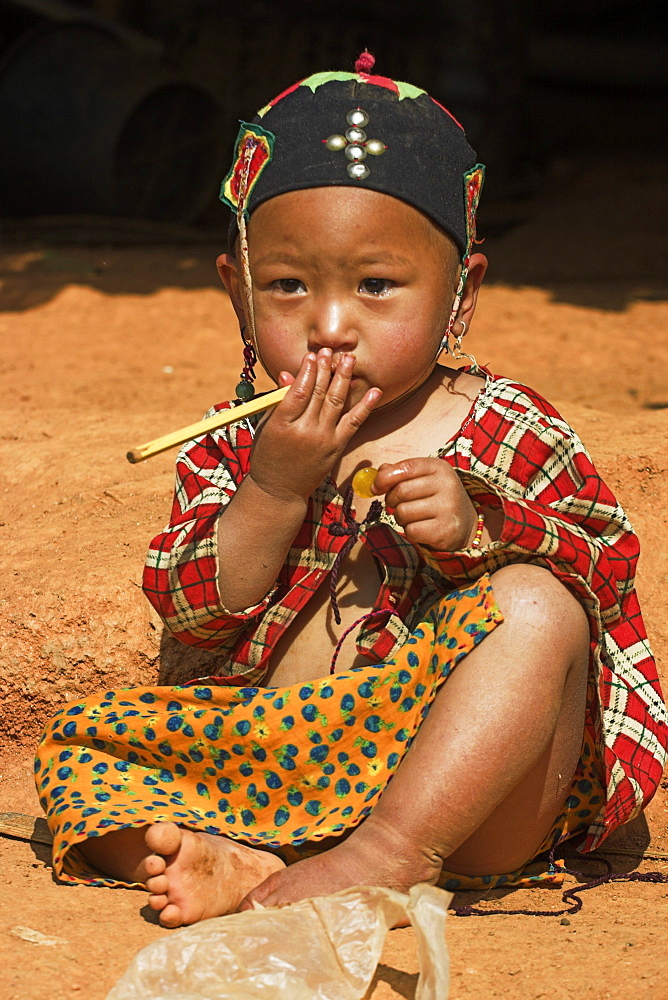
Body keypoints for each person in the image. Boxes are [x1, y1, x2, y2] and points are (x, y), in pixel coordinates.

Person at [35, 55, 667, 930]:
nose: (330, 326)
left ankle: (387, 855)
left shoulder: (508, 426)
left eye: (377, 286)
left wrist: (481, 526)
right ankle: (239, 863)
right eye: (288, 286)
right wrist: (272, 483)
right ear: (236, 290)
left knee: (536, 607)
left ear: (462, 295)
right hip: (274, 771)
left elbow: (604, 576)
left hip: (464, 800)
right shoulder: (239, 440)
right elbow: (196, 613)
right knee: (76, 755)